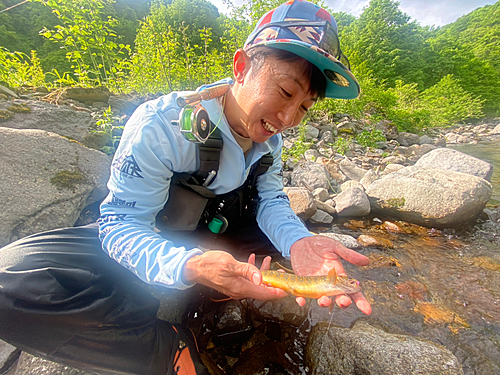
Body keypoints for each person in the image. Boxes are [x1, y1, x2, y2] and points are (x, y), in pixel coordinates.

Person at [0, 1, 371, 374]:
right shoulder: (161, 126)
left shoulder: (269, 140)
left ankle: (218, 286)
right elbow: (120, 225)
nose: (288, 119)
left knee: (281, 240)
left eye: (305, 107)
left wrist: (298, 241)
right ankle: (161, 347)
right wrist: (189, 265)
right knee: (7, 282)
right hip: (153, 231)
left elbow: (270, 197)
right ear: (241, 67)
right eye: (286, 92)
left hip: (218, 229)